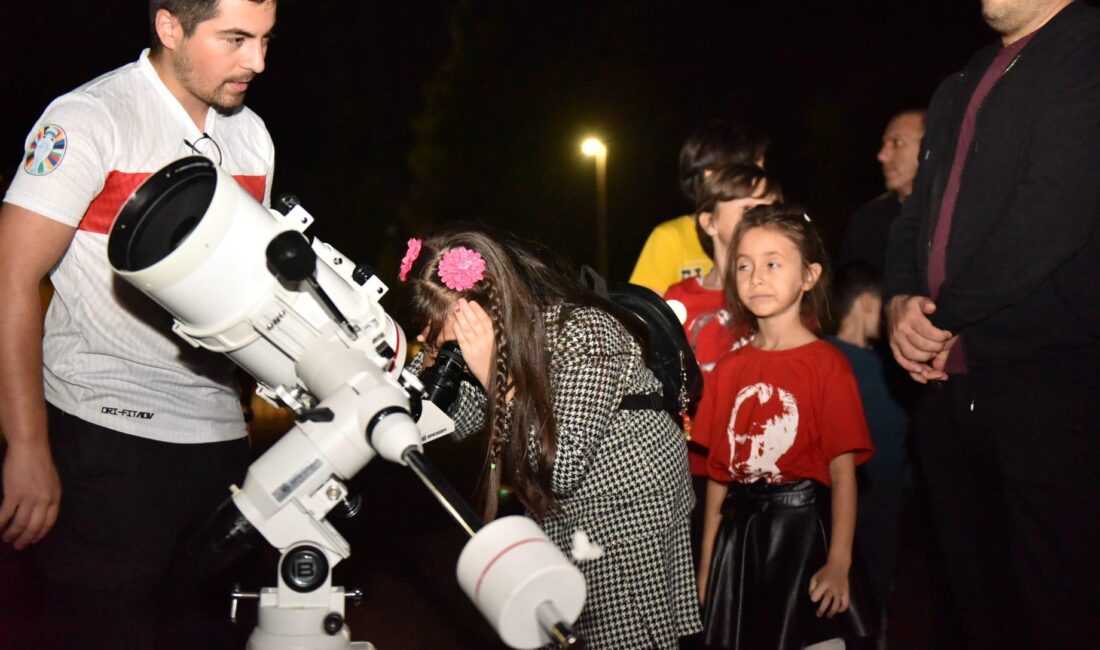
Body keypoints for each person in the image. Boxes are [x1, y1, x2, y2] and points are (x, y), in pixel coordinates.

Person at [0, 1, 277, 648]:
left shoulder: (253, 135)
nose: (258, 61)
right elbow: (10, 279)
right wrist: (27, 447)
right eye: (236, 39)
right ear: (170, 27)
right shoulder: (89, 119)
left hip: (219, 448)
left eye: (266, 40)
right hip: (104, 444)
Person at [883, 1, 1100, 647]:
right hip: (947, 390)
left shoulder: (1086, 50)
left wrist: (946, 315)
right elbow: (913, 215)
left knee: (1060, 600)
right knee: (974, 602)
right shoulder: (963, 78)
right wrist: (900, 303)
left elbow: (1053, 210)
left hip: (1050, 381)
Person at [399, 226, 701, 649]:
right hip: (565, 515)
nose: (460, 353)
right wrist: (421, 364)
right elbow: (455, 421)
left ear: (494, 310)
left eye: (461, 341)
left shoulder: (587, 331)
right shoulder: (506, 340)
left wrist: (494, 378)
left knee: (618, 639)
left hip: (626, 514)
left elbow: (561, 467)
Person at [695, 204, 877, 649]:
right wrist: (706, 572)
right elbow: (719, 479)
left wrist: (839, 562)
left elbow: (843, 474)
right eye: (744, 265)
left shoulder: (827, 365)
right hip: (739, 544)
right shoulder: (728, 369)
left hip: (801, 537)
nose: (756, 277)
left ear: (809, 276)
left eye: (773, 264)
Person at [661, 164, 779, 570]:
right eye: (749, 208)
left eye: (770, 208)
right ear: (709, 221)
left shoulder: (780, 298)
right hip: (693, 470)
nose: (762, 218)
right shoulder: (678, 300)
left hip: (766, 472)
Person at [826, 262, 909, 640]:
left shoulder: (882, 362)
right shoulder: (832, 361)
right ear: (865, 302)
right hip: (862, 498)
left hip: (881, 497)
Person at [629, 120, 769, 294]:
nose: (760, 175)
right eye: (751, 166)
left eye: (761, 165)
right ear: (709, 174)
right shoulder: (671, 238)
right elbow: (641, 307)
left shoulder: (773, 232)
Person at [838, 110, 925, 275]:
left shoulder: (959, 217)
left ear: (932, 147)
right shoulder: (868, 220)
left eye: (897, 143)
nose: (882, 156)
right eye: (884, 144)